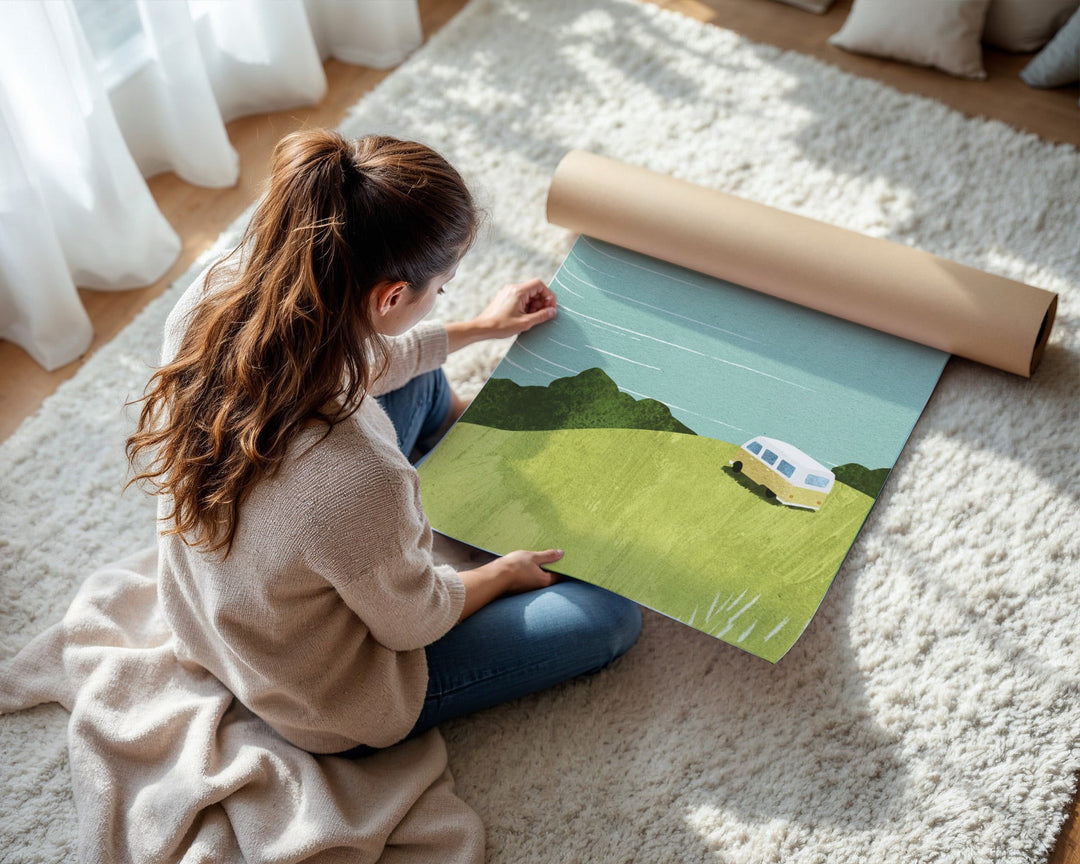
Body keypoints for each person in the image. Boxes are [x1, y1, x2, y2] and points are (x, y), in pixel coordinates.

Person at [126, 129, 641, 757]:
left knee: (420, 379)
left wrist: (481, 327)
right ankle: (457, 497)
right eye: (442, 289)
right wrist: (503, 573)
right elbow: (413, 622)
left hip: (217, 612)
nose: (442, 298)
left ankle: (460, 457)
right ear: (392, 295)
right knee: (609, 617)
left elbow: (366, 359)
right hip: (321, 694)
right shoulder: (358, 476)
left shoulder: (221, 289)